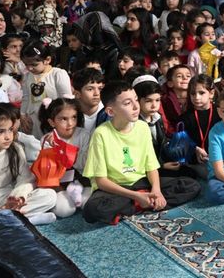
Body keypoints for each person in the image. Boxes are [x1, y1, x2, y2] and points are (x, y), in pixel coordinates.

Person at [82, 81, 200, 225]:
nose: (136, 106)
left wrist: (156, 190)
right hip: (116, 189)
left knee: (191, 185)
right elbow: (101, 181)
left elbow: (151, 167)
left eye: (136, 100)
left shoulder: (142, 127)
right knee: (93, 210)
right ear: (111, 111)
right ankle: (143, 203)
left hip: (142, 183)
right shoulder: (101, 134)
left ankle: (141, 203)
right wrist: (136, 196)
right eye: (127, 103)